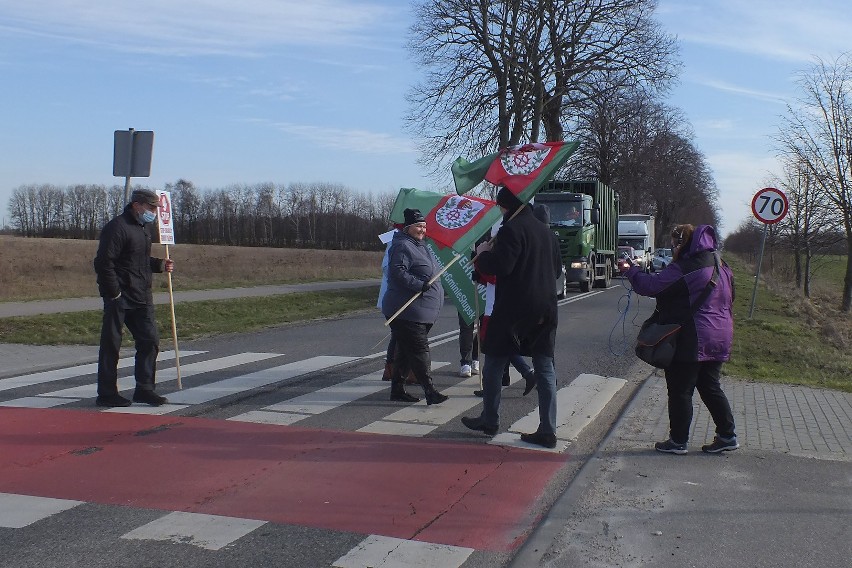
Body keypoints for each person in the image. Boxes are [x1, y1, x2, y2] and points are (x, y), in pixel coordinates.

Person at [620, 224, 738, 454]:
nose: (673, 248)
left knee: (680, 389)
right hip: (721, 335)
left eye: (675, 243)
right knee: (710, 386)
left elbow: (651, 286)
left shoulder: (687, 267)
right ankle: (727, 435)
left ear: (682, 243)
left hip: (693, 337)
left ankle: (678, 441)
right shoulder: (722, 266)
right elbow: (732, 297)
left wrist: (630, 270)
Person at [461, 187, 562, 448]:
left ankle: (490, 418)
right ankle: (548, 428)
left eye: (500, 207)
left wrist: (482, 254)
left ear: (507, 206)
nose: (500, 212)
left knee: (494, 362)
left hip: (514, 310)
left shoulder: (511, 230)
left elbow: (501, 266)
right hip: (546, 308)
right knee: (545, 368)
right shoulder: (547, 233)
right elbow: (556, 270)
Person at [93, 188, 174, 407]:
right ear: (137, 205)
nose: (153, 213)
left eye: (155, 209)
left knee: (150, 341)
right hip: (119, 296)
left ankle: (144, 389)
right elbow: (103, 262)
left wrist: (158, 265)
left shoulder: (143, 228)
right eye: (150, 208)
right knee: (112, 345)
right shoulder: (117, 227)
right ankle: (107, 393)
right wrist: (114, 292)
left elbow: (138, 259)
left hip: (141, 295)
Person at [381, 208, 449, 405]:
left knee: (404, 350)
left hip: (419, 311)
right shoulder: (402, 246)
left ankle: (397, 390)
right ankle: (430, 391)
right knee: (420, 350)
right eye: (418, 226)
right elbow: (397, 272)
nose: (422, 230)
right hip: (406, 311)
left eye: (424, 226)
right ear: (408, 227)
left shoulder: (421, 245)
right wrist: (419, 285)